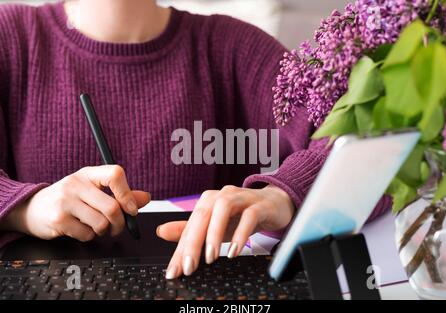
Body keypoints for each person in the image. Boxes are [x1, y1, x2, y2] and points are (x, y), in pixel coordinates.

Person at [0, 0, 389, 280]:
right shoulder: (11, 35)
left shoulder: (232, 48)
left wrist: (284, 194)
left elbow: (375, 139)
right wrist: (26, 206)